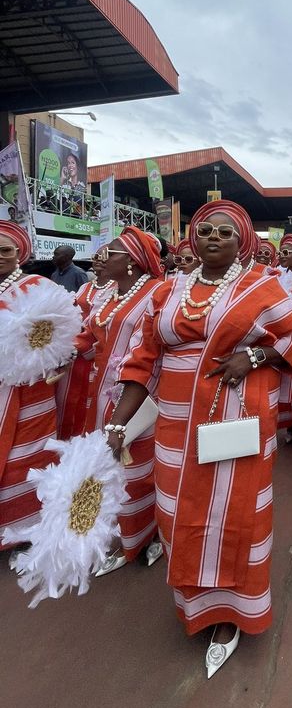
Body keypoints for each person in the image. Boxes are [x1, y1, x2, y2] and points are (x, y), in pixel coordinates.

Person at [105, 201, 292, 677]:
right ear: (193, 239)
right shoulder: (167, 290)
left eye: (225, 232)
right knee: (178, 514)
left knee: (236, 515)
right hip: (175, 428)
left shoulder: (261, 286)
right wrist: (118, 422)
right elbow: (142, 360)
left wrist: (253, 358)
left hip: (236, 420)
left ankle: (233, 614)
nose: (214, 237)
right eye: (206, 230)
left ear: (242, 242)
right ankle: (195, 604)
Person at [75, 228, 165, 574]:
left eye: (110, 252)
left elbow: (152, 350)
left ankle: (147, 535)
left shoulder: (158, 292)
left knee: (139, 468)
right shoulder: (109, 294)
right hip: (102, 393)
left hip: (141, 395)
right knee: (110, 465)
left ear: (132, 261)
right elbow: (89, 335)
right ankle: (123, 534)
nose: (101, 258)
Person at [0, 223, 63, 548]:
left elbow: (64, 335)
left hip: (30, 392)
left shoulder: (39, 286)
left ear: (19, 254)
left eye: (5, 250)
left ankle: (25, 531)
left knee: (23, 461)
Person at [55, 250, 114, 441]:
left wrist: (86, 346)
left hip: (95, 353)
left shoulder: (117, 288)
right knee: (67, 399)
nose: (98, 260)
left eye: (104, 257)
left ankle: (84, 440)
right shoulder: (85, 287)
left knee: (88, 402)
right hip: (74, 351)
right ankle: (65, 440)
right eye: (95, 257)